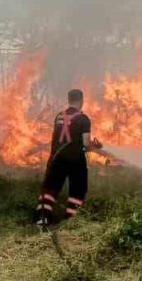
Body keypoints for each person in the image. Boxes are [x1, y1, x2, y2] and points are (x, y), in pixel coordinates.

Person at [34, 88, 103, 225]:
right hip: (75, 159)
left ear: (69, 100)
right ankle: (70, 219)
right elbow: (86, 144)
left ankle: (41, 218)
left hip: (56, 158)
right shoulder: (83, 119)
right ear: (81, 101)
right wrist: (97, 146)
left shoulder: (59, 116)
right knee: (78, 188)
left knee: (50, 188)